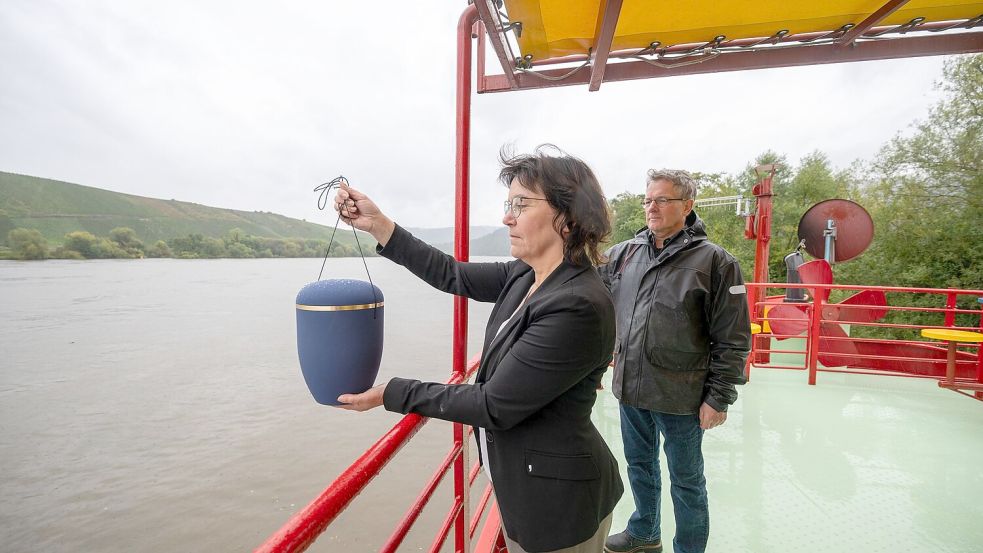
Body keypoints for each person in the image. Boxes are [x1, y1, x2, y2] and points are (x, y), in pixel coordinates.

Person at [335, 146, 624, 553]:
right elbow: (451, 273)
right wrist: (379, 225)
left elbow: (493, 404)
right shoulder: (528, 275)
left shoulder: (577, 304)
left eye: (521, 204)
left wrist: (392, 392)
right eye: (509, 205)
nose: (507, 217)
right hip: (526, 484)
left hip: (559, 505)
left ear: (569, 217)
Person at [599, 169, 750, 553]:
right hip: (631, 387)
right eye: (648, 200)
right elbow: (587, 293)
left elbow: (733, 337)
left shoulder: (716, 261)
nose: (651, 207)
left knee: (687, 482)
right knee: (639, 466)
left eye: (662, 200)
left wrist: (718, 398)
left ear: (687, 206)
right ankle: (644, 532)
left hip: (682, 394)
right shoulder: (624, 254)